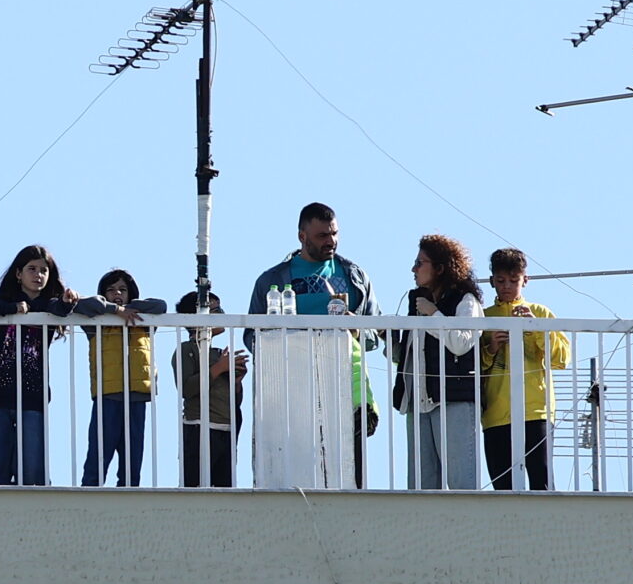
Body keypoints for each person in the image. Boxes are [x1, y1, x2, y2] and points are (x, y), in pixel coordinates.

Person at [245, 203, 377, 490]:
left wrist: (358, 329)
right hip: (294, 389)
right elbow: (251, 338)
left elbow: (376, 333)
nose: (330, 241)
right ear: (302, 236)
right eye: (322, 236)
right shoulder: (273, 280)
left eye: (334, 234)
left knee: (348, 470)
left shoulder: (354, 275)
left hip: (344, 385)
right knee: (298, 465)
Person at [0, 245, 77, 485]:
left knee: (32, 472)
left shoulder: (49, 305)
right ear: (18, 274)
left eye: (44, 270)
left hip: (32, 395)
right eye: (32, 269)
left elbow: (60, 309)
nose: (38, 275)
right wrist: (11, 309)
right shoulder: (5, 300)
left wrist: (68, 301)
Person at [393, 234, 481, 490]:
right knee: (421, 485)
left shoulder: (466, 301)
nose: (414, 269)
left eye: (420, 263)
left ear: (440, 268)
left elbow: (461, 343)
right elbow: (414, 354)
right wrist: (394, 342)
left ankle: (465, 529)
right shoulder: (418, 302)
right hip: (419, 402)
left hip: (453, 399)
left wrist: (434, 315)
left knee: (460, 483)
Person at [479, 249, 571, 491]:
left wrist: (537, 328)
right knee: (502, 486)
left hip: (536, 410)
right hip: (496, 412)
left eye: (513, 280)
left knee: (542, 481)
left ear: (525, 280)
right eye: (500, 281)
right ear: (491, 282)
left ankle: (548, 527)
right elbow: (472, 366)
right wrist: (490, 346)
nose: (507, 286)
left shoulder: (541, 313)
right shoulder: (484, 317)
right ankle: (507, 529)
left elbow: (562, 359)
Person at [74, 269, 167, 487]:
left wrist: (127, 309)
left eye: (122, 290)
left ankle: (129, 500)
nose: (117, 292)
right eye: (111, 289)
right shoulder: (96, 320)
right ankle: (88, 500)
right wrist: (115, 310)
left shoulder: (141, 318)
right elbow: (79, 305)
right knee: (98, 456)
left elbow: (160, 305)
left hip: (137, 395)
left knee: (132, 460)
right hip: (108, 395)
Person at [173, 289, 245, 488]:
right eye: (214, 311)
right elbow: (187, 388)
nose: (221, 315)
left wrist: (237, 381)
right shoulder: (187, 350)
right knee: (196, 485)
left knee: (225, 486)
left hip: (226, 429)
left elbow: (234, 401)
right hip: (199, 428)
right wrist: (219, 368)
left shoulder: (218, 353)